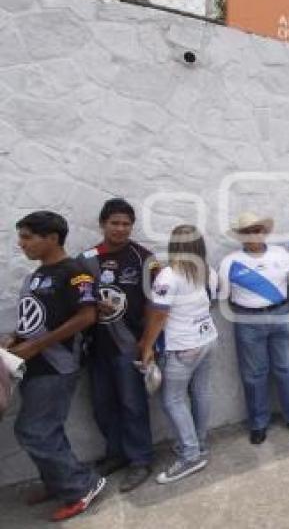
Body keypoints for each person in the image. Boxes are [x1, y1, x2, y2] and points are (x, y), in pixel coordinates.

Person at [7, 211, 106, 521]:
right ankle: (58, 481)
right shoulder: (35, 276)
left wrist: (35, 346)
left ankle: (81, 486)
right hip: (31, 364)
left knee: (32, 430)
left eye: (27, 237)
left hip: (56, 365)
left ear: (51, 238)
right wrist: (14, 340)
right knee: (47, 428)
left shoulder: (75, 272)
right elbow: (35, 318)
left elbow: (87, 316)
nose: (21, 244)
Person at [78, 198, 156, 492]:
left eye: (126, 224)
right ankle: (116, 454)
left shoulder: (144, 258)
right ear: (102, 224)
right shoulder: (85, 259)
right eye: (115, 223)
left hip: (130, 346)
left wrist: (148, 343)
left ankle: (140, 460)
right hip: (96, 347)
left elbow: (155, 305)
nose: (121, 229)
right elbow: (75, 300)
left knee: (133, 405)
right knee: (102, 406)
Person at [139, 225, 217, 484]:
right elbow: (211, 302)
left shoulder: (168, 276)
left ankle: (191, 454)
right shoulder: (209, 273)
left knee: (173, 400)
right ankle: (199, 443)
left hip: (182, 346)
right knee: (201, 393)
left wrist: (147, 346)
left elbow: (160, 314)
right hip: (206, 339)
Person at [219, 213, 289, 445]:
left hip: (280, 316)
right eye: (247, 231)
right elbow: (224, 296)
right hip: (248, 321)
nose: (253, 234)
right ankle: (258, 424)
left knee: (286, 369)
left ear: (264, 231)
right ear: (241, 236)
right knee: (254, 376)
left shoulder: (281, 254)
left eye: (257, 229)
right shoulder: (229, 262)